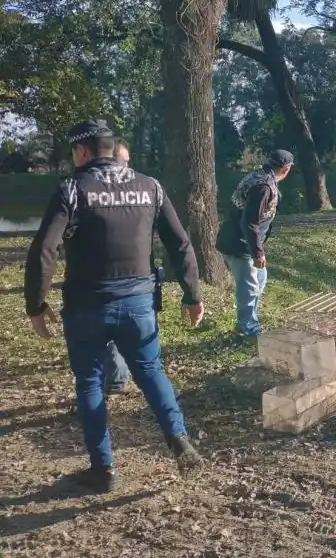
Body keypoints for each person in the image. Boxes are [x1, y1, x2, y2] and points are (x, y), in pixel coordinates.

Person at [25, 119, 205, 493]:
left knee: (90, 382)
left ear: (83, 151)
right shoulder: (150, 187)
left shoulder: (72, 189)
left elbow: (45, 249)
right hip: (139, 303)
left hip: (87, 304)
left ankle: (103, 469)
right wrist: (192, 294)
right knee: (152, 371)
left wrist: (36, 305)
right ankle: (178, 438)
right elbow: (181, 244)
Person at [216, 150, 293, 337]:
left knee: (259, 278)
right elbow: (248, 222)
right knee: (249, 287)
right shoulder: (264, 187)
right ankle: (247, 329)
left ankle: (250, 320)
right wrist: (257, 253)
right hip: (240, 244)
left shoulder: (258, 176)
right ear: (286, 168)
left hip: (241, 241)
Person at [101, 138, 133, 397]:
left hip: (136, 277)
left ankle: (118, 376)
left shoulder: (140, 190)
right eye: (121, 161)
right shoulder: (92, 191)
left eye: (127, 162)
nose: (126, 167)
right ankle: (116, 377)